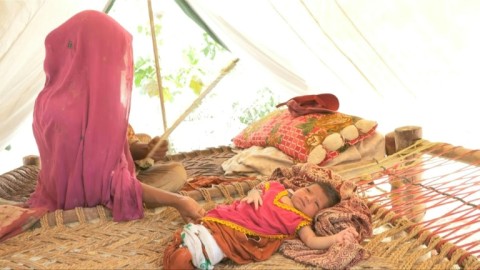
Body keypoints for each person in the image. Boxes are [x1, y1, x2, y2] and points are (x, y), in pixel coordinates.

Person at [27, 10, 205, 223]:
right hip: (89, 196)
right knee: (175, 173)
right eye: (111, 57)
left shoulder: (50, 99)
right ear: (94, 55)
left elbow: (91, 155)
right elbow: (108, 184)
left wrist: (143, 150)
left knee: (160, 155)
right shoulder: (80, 112)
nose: (117, 68)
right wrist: (178, 201)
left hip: (64, 186)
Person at [163, 180, 359, 269]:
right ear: (301, 186)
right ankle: (189, 249)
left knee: (191, 254)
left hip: (236, 238)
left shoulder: (298, 220)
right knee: (190, 236)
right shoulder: (277, 187)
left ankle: (195, 255)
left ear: (317, 213)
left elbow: (312, 241)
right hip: (223, 219)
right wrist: (253, 193)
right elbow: (258, 187)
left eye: (315, 203)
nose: (307, 199)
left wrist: (336, 238)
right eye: (308, 191)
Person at [127, 124, 188, 193]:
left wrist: (148, 150)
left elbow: (142, 166)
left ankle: (132, 194)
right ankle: (130, 196)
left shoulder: (123, 123)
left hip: (131, 178)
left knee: (177, 172)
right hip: (116, 182)